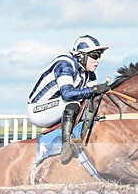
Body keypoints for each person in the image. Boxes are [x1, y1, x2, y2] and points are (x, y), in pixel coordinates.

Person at [27, 35, 112, 163]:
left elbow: (92, 94)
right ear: (81, 56)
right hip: (38, 110)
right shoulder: (65, 65)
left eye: (100, 56)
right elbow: (67, 94)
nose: (98, 60)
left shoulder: (88, 72)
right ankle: (66, 145)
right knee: (73, 101)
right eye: (94, 56)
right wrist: (95, 90)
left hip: (56, 105)